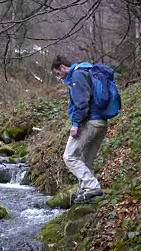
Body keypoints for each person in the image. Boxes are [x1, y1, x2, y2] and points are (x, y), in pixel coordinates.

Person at [51, 55, 109, 204]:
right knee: (86, 160)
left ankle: (91, 187)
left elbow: (82, 102)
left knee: (69, 156)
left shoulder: (77, 76)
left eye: (58, 73)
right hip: (101, 122)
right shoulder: (86, 70)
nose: (59, 77)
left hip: (89, 122)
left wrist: (76, 124)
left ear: (63, 67)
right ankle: (88, 193)